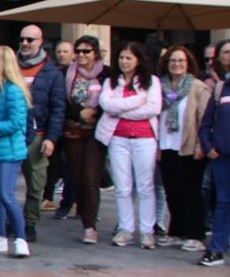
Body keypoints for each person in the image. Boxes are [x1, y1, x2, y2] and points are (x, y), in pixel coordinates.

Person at [97, 43, 162, 248]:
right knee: (122, 187)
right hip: (118, 138)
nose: (124, 62)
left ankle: (147, 231)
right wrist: (137, 101)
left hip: (145, 139)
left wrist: (120, 109)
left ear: (138, 60)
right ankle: (126, 229)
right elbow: (107, 105)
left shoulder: (151, 81)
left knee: (145, 186)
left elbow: (152, 108)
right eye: (121, 58)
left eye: (129, 58)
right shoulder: (111, 82)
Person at [156, 46, 210, 252]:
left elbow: (204, 118)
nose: (176, 64)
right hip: (166, 145)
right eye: (173, 61)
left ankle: (195, 234)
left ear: (188, 63)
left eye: (181, 61)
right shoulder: (160, 86)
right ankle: (177, 231)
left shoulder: (197, 87)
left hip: (188, 146)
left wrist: (200, 146)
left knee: (191, 191)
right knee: (172, 191)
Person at [0, 47, 33, 259]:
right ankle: (0, 237)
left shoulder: (13, 90)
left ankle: (21, 238)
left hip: (9, 150)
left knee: (6, 193)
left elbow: (17, 123)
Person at [16, 24, 65, 245]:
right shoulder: (11, 66)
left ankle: (30, 223)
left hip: (38, 134)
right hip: (13, 133)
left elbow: (58, 108)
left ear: (40, 42)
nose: (25, 43)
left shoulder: (51, 72)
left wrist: (51, 138)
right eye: (22, 39)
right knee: (5, 183)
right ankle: (12, 221)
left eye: (30, 40)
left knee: (36, 184)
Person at [62, 35, 112, 244]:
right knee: (78, 176)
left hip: (96, 131)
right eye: (79, 51)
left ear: (96, 53)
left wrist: (94, 111)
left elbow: (111, 99)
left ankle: (90, 226)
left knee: (91, 177)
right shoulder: (68, 73)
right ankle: (83, 212)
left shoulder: (107, 74)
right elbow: (62, 101)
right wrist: (79, 113)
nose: (81, 55)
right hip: (73, 130)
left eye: (87, 51)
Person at [198, 60, 230, 266]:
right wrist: (208, 147)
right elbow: (206, 123)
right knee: (223, 202)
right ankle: (217, 248)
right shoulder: (221, 89)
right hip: (222, 156)